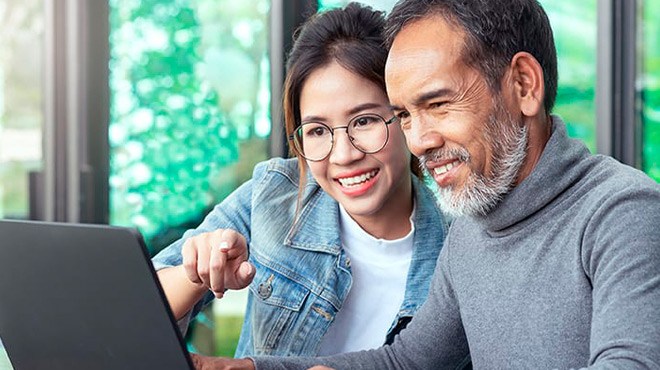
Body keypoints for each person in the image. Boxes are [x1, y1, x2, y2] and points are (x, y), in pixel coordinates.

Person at [191, 0, 660, 368]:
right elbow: (407, 361)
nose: (420, 141)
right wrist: (250, 369)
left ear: (522, 85)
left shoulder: (623, 212)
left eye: (437, 105)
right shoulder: (475, 229)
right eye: (403, 116)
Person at [152, 2, 448, 358]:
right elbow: (134, 311)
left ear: (404, 115)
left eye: (365, 121)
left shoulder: (456, 247)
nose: (343, 155)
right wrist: (196, 274)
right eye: (318, 130)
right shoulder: (275, 193)